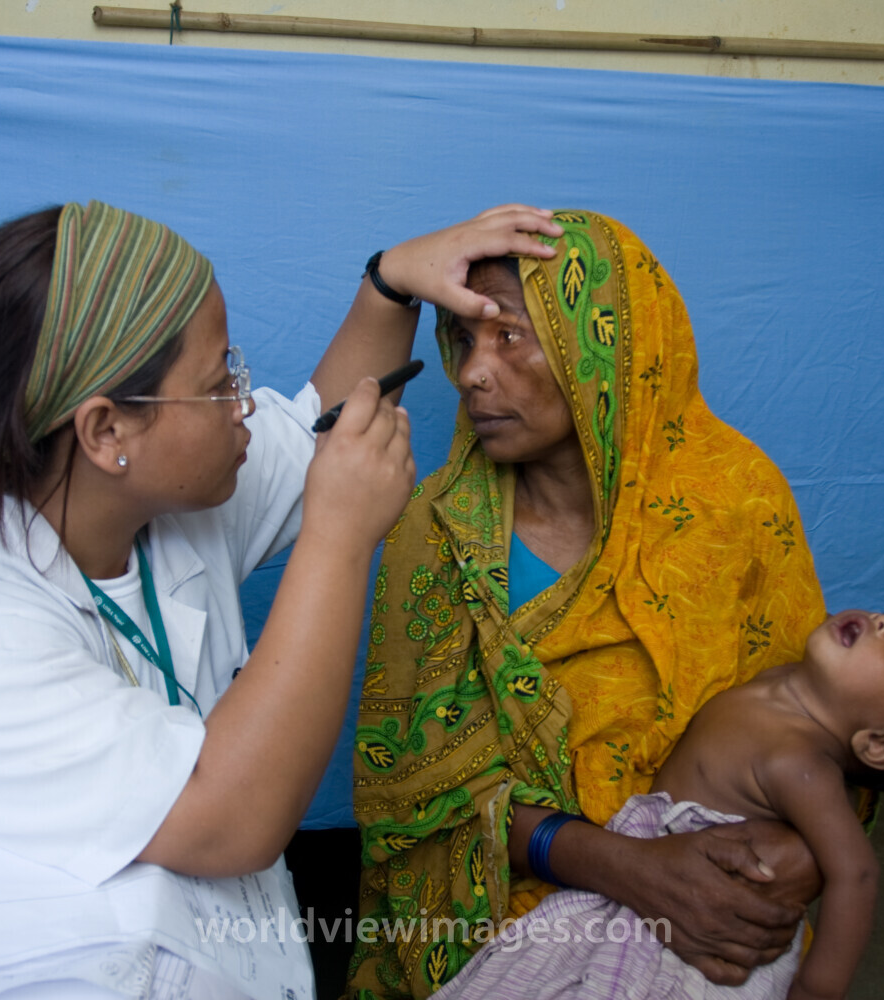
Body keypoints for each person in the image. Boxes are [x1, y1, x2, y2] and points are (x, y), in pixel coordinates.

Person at [0, 200, 565, 888]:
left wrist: (390, 283)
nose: (244, 405)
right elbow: (230, 823)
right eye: (218, 384)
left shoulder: (149, 498)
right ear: (106, 430)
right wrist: (338, 539)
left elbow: (318, 432)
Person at [351, 211, 833, 999]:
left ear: (606, 347)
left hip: (717, 874)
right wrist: (629, 867)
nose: (473, 373)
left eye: (510, 336)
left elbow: (818, 719)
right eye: (464, 340)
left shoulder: (737, 504)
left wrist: (796, 853)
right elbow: (416, 794)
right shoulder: (439, 530)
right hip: (513, 899)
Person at [428, 607, 884, 1000]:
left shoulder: (800, 764)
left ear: (879, 745)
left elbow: (856, 872)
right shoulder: (784, 680)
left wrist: (816, 988)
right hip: (641, 869)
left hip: (685, 933)